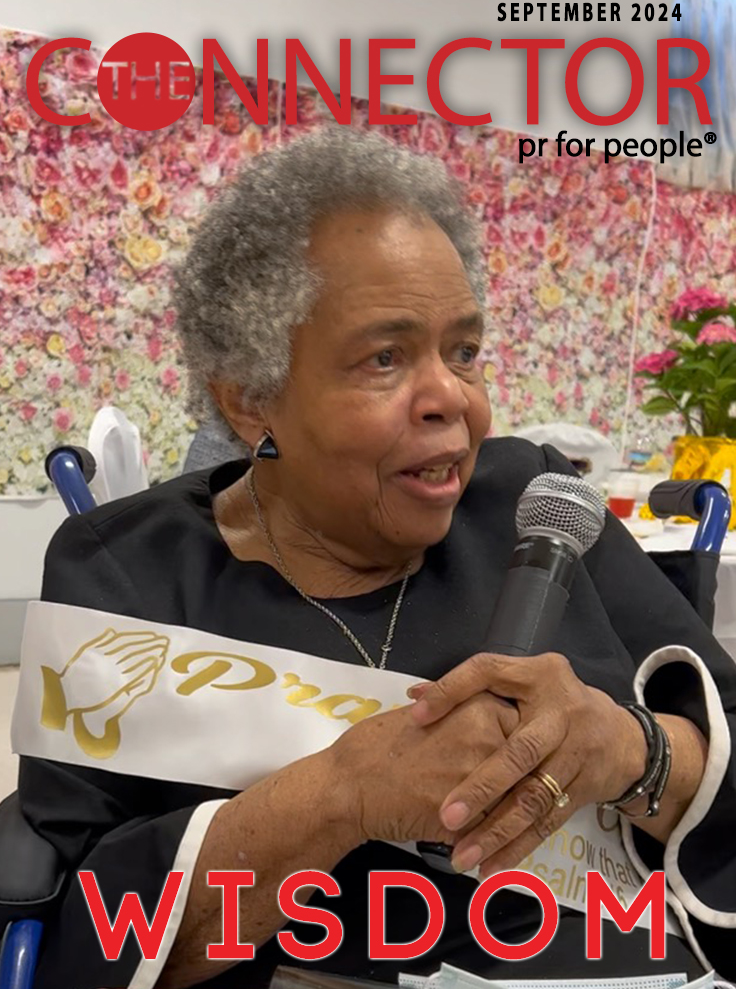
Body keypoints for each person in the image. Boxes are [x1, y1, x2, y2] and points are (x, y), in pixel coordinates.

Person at [13, 128, 736, 989]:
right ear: (250, 400)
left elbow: (719, 732)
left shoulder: (533, 501)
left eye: (463, 351)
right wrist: (341, 794)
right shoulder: (126, 570)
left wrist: (633, 750)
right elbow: (72, 926)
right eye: (385, 358)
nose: (451, 399)